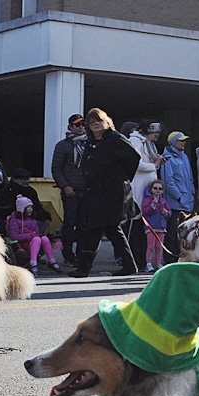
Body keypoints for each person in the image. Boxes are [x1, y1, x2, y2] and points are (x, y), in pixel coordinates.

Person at [68, 107, 140, 278]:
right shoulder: (91, 142)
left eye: (99, 121)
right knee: (96, 229)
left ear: (106, 122)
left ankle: (86, 269)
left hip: (112, 192)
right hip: (95, 192)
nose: (96, 125)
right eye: (92, 123)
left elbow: (134, 157)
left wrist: (122, 178)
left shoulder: (115, 139)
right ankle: (85, 268)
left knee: (109, 227)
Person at [127, 120, 166, 267]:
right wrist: (154, 165)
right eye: (155, 134)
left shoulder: (149, 144)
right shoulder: (135, 141)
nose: (156, 137)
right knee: (136, 226)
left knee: (147, 230)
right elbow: (135, 163)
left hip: (148, 189)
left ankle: (145, 261)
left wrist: (157, 162)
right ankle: (134, 260)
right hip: (139, 187)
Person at [51, 113, 88, 267]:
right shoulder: (63, 145)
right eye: (77, 125)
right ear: (70, 127)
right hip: (71, 190)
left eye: (82, 124)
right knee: (70, 222)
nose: (81, 127)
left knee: (83, 223)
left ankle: (81, 253)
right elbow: (56, 168)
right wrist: (65, 186)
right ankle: (68, 253)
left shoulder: (89, 144)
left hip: (86, 189)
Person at [161, 130, 194, 264]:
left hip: (187, 201)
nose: (184, 142)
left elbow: (190, 178)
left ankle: (181, 257)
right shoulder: (167, 157)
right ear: (174, 142)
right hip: (175, 203)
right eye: (181, 140)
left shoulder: (184, 156)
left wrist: (190, 195)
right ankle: (170, 259)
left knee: (184, 233)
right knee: (172, 233)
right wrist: (179, 197)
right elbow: (168, 181)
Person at [6, 195, 59, 275]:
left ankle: (52, 260)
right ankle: (33, 263)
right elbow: (14, 235)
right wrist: (30, 236)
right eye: (27, 207)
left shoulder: (32, 220)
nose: (30, 209)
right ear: (21, 208)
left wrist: (35, 235)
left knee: (44, 238)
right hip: (21, 244)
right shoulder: (14, 220)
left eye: (31, 207)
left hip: (33, 243)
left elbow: (36, 232)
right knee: (37, 239)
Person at [0, 167, 51, 236]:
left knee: (45, 220)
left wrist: (37, 214)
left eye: (27, 179)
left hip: (31, 217)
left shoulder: (30, 191)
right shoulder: (7, 191)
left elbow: (37, 205)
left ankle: (39, 238)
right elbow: (1, 209)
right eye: (23, 179)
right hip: (14, 218)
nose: (26, 181)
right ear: (15, 179)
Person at [141, 179, 171, 272]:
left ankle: (158, 263)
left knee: (159, 247)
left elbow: (169, 212)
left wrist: (165, 212)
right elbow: (146, 211)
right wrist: (153, 205)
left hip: (161, 227)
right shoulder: (147, 200)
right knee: (150, 246)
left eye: (160, 189)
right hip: (151, 227)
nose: (157, 190)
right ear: (151, 189)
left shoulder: (163, 200)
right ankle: (149, 263)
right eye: (155, 188)